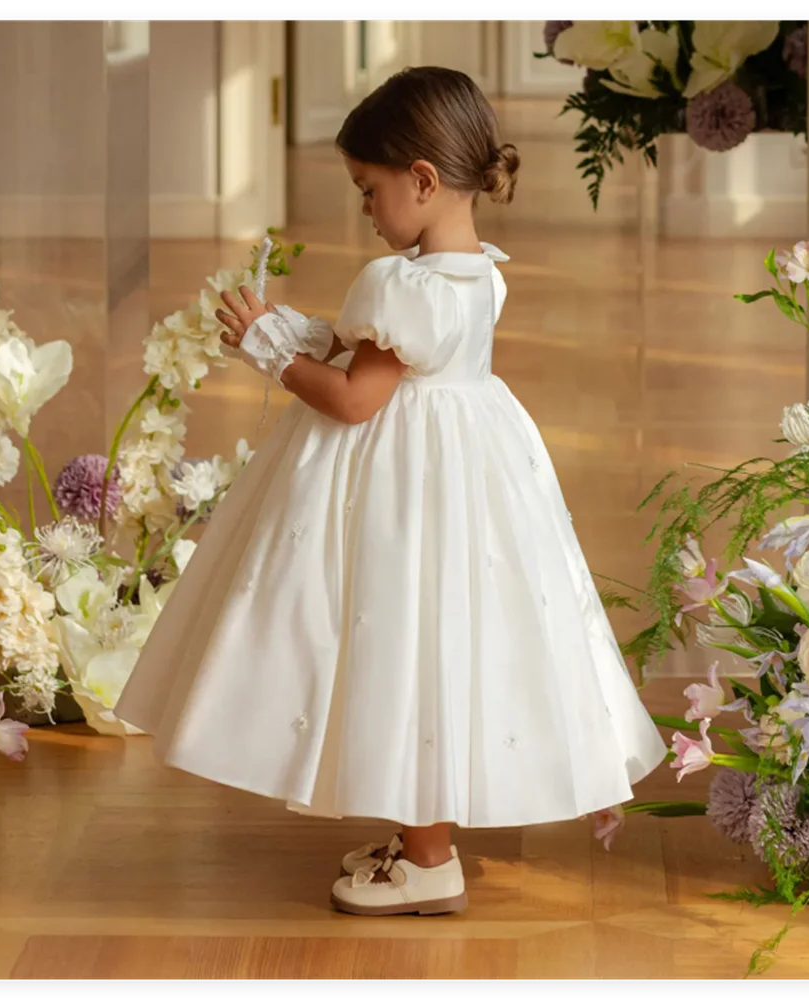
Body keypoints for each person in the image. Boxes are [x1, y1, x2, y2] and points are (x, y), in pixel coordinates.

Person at [116, 66, 666, 917]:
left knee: (396, 645)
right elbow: (377, 353)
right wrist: (298, 329)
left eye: (369, 190)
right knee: (437, 648)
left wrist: (270, 353)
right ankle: (421, 842)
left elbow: (353, 397)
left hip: (401, 486)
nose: (366, 210)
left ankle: (430, 863)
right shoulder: (478, 272)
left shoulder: (395, 283)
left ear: (421, 179)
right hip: (468, 469)